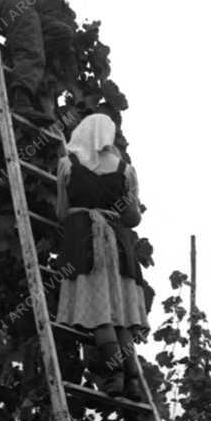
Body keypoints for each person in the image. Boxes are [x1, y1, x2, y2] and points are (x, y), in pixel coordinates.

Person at [54, 113, 148, 399]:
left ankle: (114, 374)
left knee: (99, 314)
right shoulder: (125, 169)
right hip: (119, 248)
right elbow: (132, 218)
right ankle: (132, 380)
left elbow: (61, 212)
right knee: (121, 317)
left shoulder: (67, 164)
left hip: (84, 242)